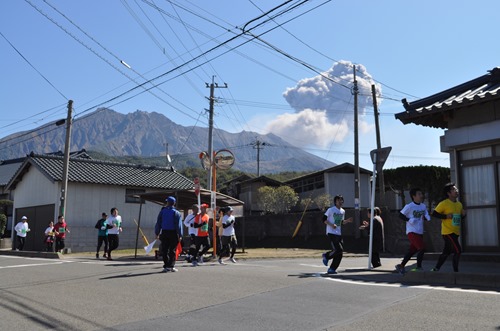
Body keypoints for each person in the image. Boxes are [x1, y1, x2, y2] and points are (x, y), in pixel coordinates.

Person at [430, 183, 466, 272]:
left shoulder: (459, 204)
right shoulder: (444, 203)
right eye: (454, 189)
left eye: (456, 189)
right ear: (448, 193)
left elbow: (458, 218)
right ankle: (456, 272)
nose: (456, 191)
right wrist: (445, 216)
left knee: (446, 252)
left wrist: (464, 216)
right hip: (448, 232)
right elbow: (434, 213)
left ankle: (436, 268)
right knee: (458, 251)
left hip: (456, 232)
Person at [394, 188, 431, 274]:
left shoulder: (423, 206)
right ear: (413, 196)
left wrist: (427, 216)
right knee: (422, 248)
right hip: (412, 231)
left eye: (421, 194)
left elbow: (424, 214)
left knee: (412, 251)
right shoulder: (409, 206)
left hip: (420, 231)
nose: (421, 196)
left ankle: (401, 266)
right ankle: (419, 267)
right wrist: (409, 219)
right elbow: (400, 215)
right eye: (419, 194)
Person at [321, 195, 353, 274]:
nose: (341, 202)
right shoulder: (330, 210)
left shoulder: (343, 211)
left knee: (340, 253)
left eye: (342, 200)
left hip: (338, 233)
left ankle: (332, 269)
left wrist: (347, 221)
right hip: (331, 232)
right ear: (335, 201)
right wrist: (331, 225)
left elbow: (340, 222)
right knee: (338, 249)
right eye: (339, 200)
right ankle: (326, 256)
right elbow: (323, 219)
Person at [155, 196, 183, 273]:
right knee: (172, 250)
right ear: (174, 203)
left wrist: (157, 233)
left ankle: (166, 265)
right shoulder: (176, 212)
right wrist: (180, 235)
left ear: (167, 203)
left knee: (165, 249)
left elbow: (158, 223)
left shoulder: (162, 212)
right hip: (173, 233)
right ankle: (171, 266)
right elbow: (179, 225)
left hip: (164, 232)